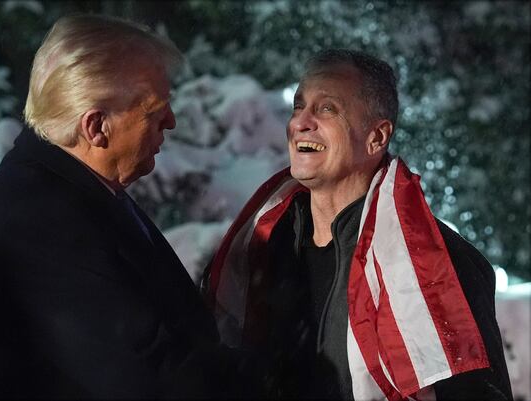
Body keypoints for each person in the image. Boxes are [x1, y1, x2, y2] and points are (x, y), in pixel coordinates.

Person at [0, 15, 241, 399]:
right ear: (96, 127)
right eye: (154, 111)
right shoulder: (35, 218)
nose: (170, 122)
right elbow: (147, 375)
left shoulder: (69, 190)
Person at [206, 49, 513, 400]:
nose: (300, 122)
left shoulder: (439, 268)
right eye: (298, 106)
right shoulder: (260, 246)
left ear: (377, 137)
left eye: (327, 109)